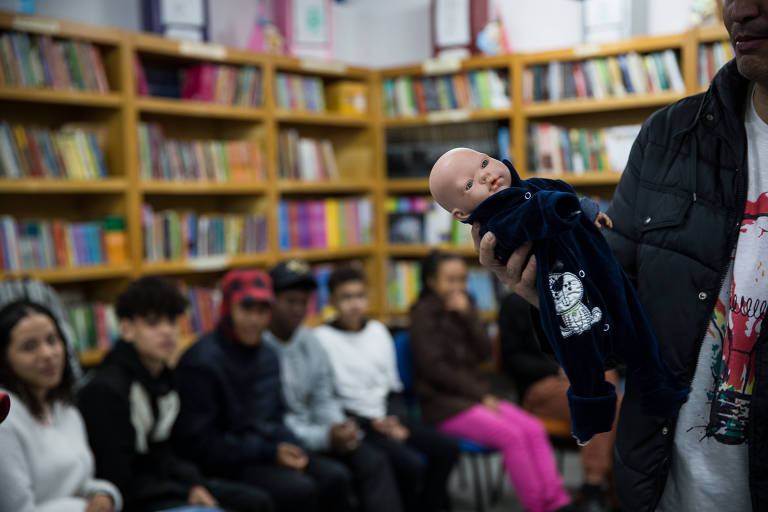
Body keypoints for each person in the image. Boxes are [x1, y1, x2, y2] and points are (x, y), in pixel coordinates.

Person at [470, 2, 768, 509]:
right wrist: (554, 295)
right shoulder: (667, 139)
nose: (739, 9)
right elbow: (615, 326)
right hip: (667, 489)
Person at [429, 148, 688, 445]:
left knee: (638, 332)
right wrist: (554, 209)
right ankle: (591, 414)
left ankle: (660, 388)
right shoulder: (496, 223)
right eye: (469, 184)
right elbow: (518, 229)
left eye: (485, 163)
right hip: (565, 293)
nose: (487, 175)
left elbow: (562, 191)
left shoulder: (535, 186)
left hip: (603, 273)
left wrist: (588, 211)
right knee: (581, 360)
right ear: (461, 214)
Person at [78, 276, 274, 512]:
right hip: (126, 496)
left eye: (172, 322)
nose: (167, 332)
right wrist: (185, 492)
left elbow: (164, 452)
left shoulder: (164, 378)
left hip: (162, 483)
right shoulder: (106, 390)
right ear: (127, 329)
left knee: (257, 501)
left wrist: (194, 485)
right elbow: (117, 476)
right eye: (153, 323)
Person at [409, 251, 576, 512]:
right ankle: (539, 506)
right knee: (511, 436)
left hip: (475, 398)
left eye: (462, 280)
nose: (458, 287)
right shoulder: (422, 316)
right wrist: (479, 395)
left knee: (532, 427)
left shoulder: (465, 305)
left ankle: (557, 501)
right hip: (444, 406)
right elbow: (435, 370)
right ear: (431, 282)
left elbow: (484, 352)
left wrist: (467, 316)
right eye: (450, 280)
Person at [173, 268, 352, 512]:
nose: (254, 320)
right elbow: (201, 444)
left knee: (335, 476)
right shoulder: (201, 362)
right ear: (227, 309)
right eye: (246, 309)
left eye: (262, 311)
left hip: (263, 452)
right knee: (298, 490)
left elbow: (272, 416)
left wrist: (290, 445)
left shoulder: (267, 355)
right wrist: (269, 452)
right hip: (224, 465)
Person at [314, 266, 460, 512]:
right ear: (331, 301)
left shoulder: (378, 332)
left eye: (359, 296)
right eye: (345, 297)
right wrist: (372, 424)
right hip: (355, 425)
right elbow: (325, 399)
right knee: (410, 464)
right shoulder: (321, 338)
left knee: (447, 449)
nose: (354, 304)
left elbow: (392, 387)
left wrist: (395, 421)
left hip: (387, 417)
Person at [262, 259, 404, 512]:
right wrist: (326, 437)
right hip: (288, 441)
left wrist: (338, 427)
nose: (298, 309)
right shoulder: (261, 349)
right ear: (271, 302)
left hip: (321, 432)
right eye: (290, 301)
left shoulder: (309, 341)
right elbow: (275, 418)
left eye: (303, 302)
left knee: (374, 461)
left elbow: (323, 396)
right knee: (335, 478)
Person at [498, 292, 621, 512]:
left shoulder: (572, 295)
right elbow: (512, 358)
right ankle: (602, 488)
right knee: (605, 401)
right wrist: (557, 369)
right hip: (540, 387)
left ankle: (600, 489)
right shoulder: (516, 301)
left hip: (580, 382)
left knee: (611, 391)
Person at [0, 300, 122, 512]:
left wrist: (104, 494)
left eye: (52, 340)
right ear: (4, 358)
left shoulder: (65, 409)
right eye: (29, 346)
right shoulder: (4, 416)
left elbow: (80, 482)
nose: (48, 354)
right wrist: (82, 508)